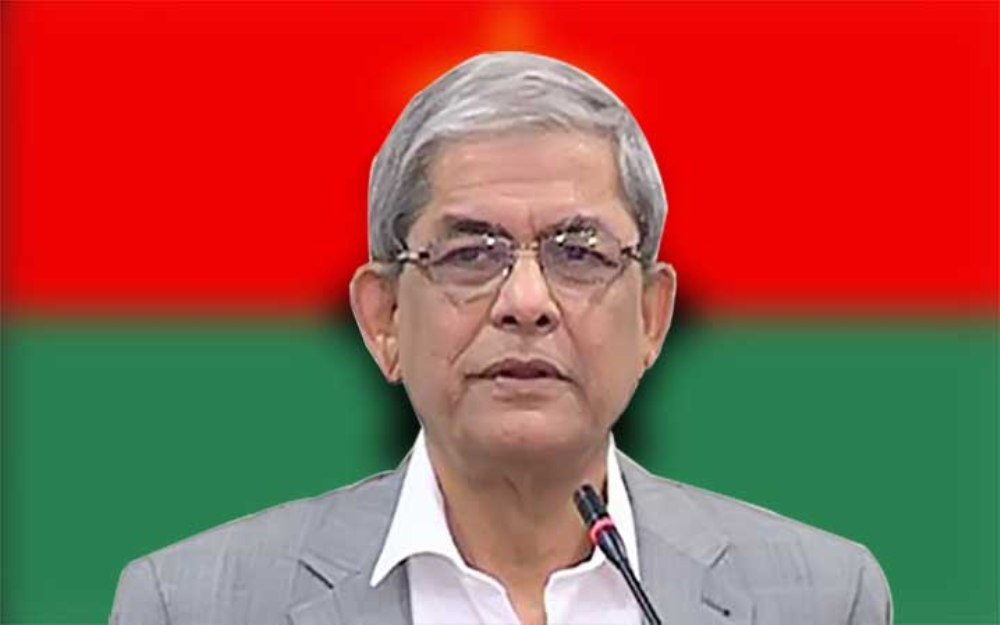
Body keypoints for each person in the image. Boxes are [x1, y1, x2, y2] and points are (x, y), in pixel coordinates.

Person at [110, 52, 892, 625]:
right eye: (469, 253)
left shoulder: (821, 598)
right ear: (384, 317)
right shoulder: (193, 604)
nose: (525, 302)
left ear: (652, 317)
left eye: (579, 253)